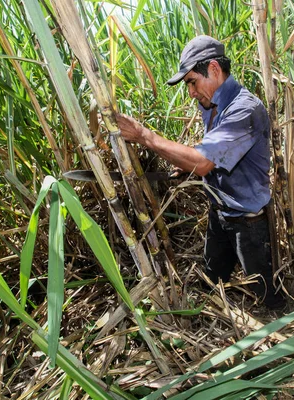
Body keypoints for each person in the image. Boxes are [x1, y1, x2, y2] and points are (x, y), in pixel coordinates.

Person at [116, 35, 284, 309]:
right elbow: (213, 156)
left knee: (265, 295)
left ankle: (281, 335)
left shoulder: (244, 109)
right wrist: (187, 168)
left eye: (192, 82)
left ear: (215, 70)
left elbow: (204, 161)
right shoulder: (210, 104)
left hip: (248, 222)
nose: (191, 92)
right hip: (220, 212)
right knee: (211, 280)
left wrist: (144, 135)